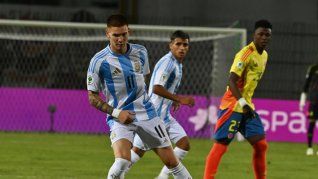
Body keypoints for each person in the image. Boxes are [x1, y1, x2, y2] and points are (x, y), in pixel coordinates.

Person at [86, 14, 192, 179]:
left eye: (124, 34)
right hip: (119, 116)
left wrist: (167, 100)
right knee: (122, 161)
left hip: (148, 114)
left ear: (129, 31)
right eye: (116, 35)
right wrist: (116, 113)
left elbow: (144, 80)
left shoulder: (141, 52)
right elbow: (92, 97)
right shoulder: (98, 61)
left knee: (173, 163)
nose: (121, 39)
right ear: (107, 34)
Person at [204, 19, 272, 179]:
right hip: (233, 105)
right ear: (254, 35)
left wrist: (246, 104)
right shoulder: (245, 53)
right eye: (260, 34)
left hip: (247, 106)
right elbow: (231, 81)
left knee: (261, 145)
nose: (264, 37)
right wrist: (242, 103)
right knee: (221, 145)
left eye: (267, 35)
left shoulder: (264, 56)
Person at [128, 30, 195, 179]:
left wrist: (172, 101)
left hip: (165, 116)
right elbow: (156, 88)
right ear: (170, 45)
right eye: (178, 44)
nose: (182, 47)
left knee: (184, 144)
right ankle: (115, 174)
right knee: (135, 154)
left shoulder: (178, 64)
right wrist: (179, 99)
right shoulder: (168, 63)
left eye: (185, 45)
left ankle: (161, 177)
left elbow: (167, 86)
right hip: (153, 117)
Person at [299, 63, 318, 155]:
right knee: (311, 123)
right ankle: (309, 147)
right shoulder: (313, 68)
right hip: (314, 101)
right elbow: (306, 85)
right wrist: (302, 101)